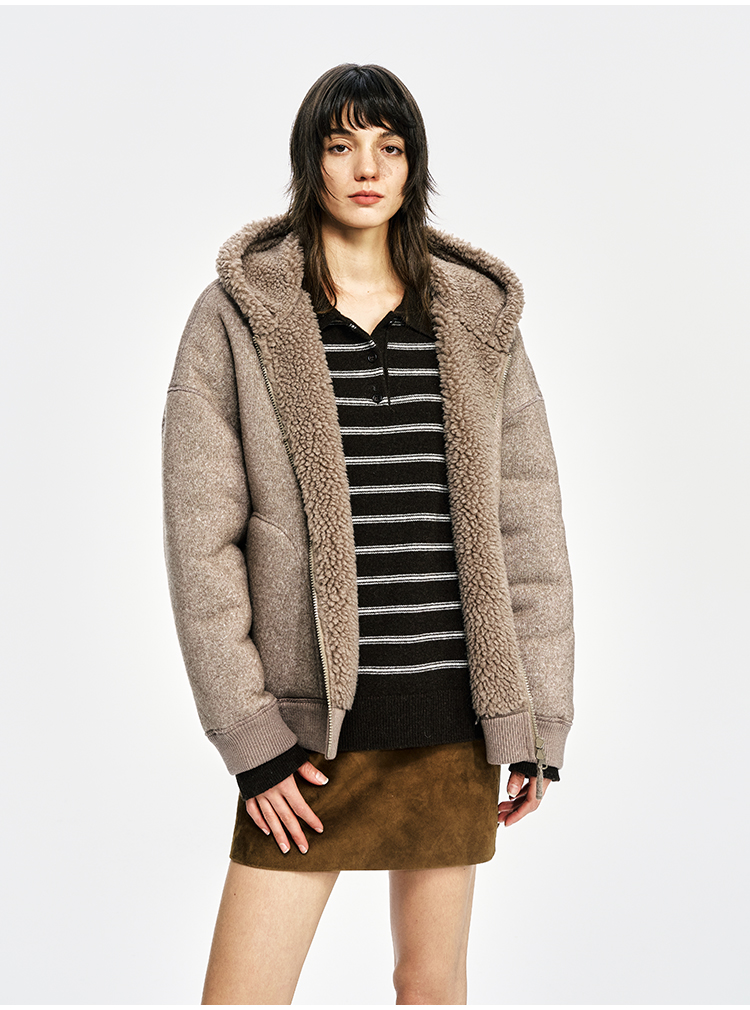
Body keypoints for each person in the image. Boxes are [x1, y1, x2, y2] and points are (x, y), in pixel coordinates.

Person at [162, 63, 573, 1005]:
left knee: (431, 988)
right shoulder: (239, 316)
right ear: (308, 161)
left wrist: (537, 721)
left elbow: (529, 527)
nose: (366, 168)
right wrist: (253, 739)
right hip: (306, 739)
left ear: (413, 164)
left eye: (389, 147)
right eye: (341, 145)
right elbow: (200, 540)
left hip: (451, 720)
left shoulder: (474, 317)